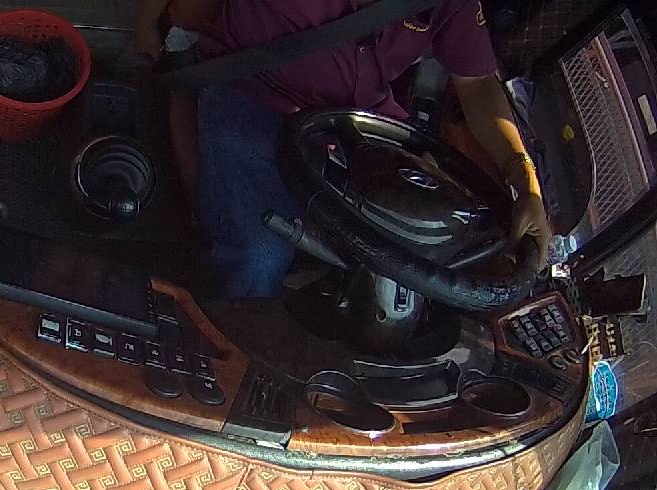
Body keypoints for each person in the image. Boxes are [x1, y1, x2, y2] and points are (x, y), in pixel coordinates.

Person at [133, 0, 554, 299]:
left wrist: (524, 180)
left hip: (355, 124)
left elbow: (477, 85)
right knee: (256, 263)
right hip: (252, 95)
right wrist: (150, 23)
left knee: (428, 256)